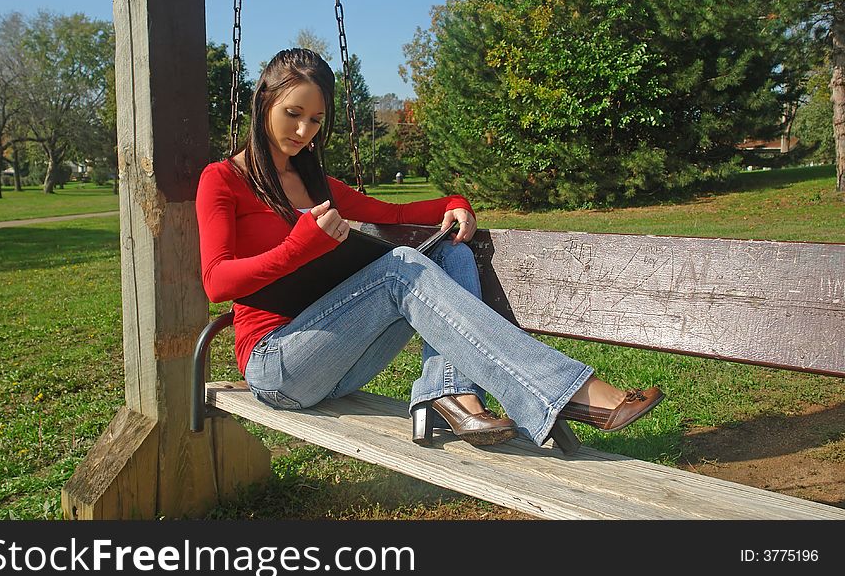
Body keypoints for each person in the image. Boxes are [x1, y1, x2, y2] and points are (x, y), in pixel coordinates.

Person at [196, 48, 663, 449]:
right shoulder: (223, 180)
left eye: (316, 120)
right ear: (263, 103)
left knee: (451, 251)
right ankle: (570, 391)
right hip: (276, 364)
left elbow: (396, 214)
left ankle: (453, 393)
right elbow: (217, 283)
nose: (303, 132)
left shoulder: (318, 184)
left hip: (338, 364)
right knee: (400, 267)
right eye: (292, 114)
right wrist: (299, 247)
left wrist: (455, 203)